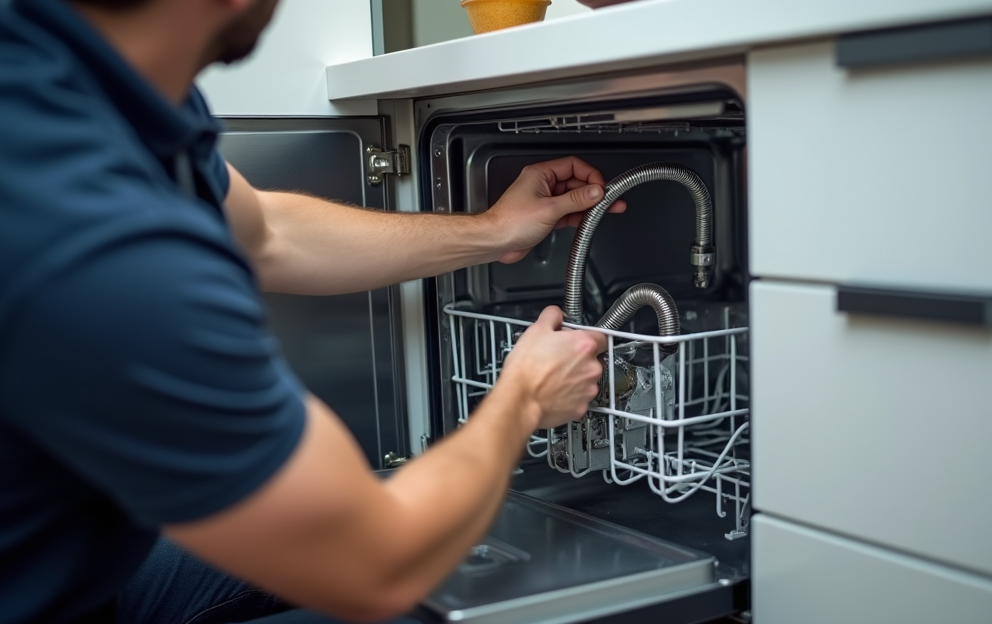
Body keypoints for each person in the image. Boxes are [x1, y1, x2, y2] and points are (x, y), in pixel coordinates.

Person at [0, 0, 630, 622]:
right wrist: (523, 398)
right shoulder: (88, 235)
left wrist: (493, 230)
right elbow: (377, 564)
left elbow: (269, 231)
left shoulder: (81, 80)